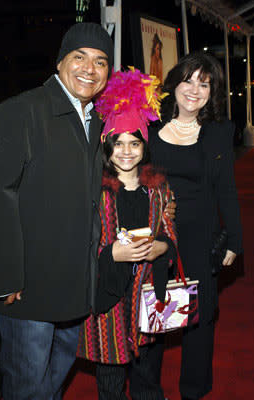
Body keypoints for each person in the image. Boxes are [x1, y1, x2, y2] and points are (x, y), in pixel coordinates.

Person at [0, 22, 113, 399]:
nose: (89, 69)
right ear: (60, 62)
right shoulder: (20, 111)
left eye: (101, 61)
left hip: (75, 287)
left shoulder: (94, 119)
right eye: (79, 57)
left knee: (52, 384)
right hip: (28, 290)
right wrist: (5, 278)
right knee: (26, 387)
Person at [76, 67, 177, 400]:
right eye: (118, 143)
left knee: (147, 376)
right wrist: (110, 253)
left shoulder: (158, 190)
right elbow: (79, 242)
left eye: (135, 142)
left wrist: (162, 248)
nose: (127, 150)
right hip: (108, 301)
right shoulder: (96, 192)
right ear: (107, 146)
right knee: (110, 381)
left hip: (147, 296)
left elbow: (170, 231)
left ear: (144, 146)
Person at [148, 52, 243, 400]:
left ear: (212, 91)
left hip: (200, 235)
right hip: (158, 235)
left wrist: (234, 239)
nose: (194, 89)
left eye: (204, 84)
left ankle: (194, 391)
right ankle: (148, 390)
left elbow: (227, 189)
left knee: (200, 322)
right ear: (173, 82)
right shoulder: (148, 125)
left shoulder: (219, 131)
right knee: (154, 313)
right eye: (188, 80)